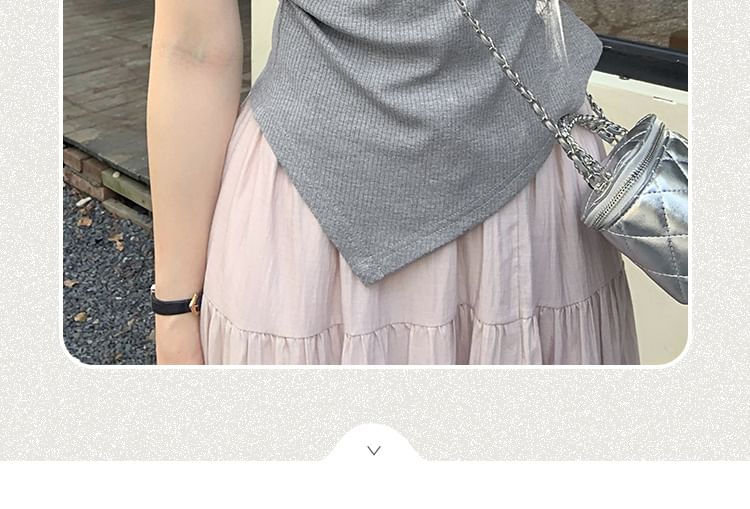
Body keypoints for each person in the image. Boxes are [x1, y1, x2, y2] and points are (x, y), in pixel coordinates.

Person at [146, 0, 640, 366]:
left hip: (529, 193)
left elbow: (194, 50)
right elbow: (192, 48)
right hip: (319, 219)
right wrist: (174, 312)